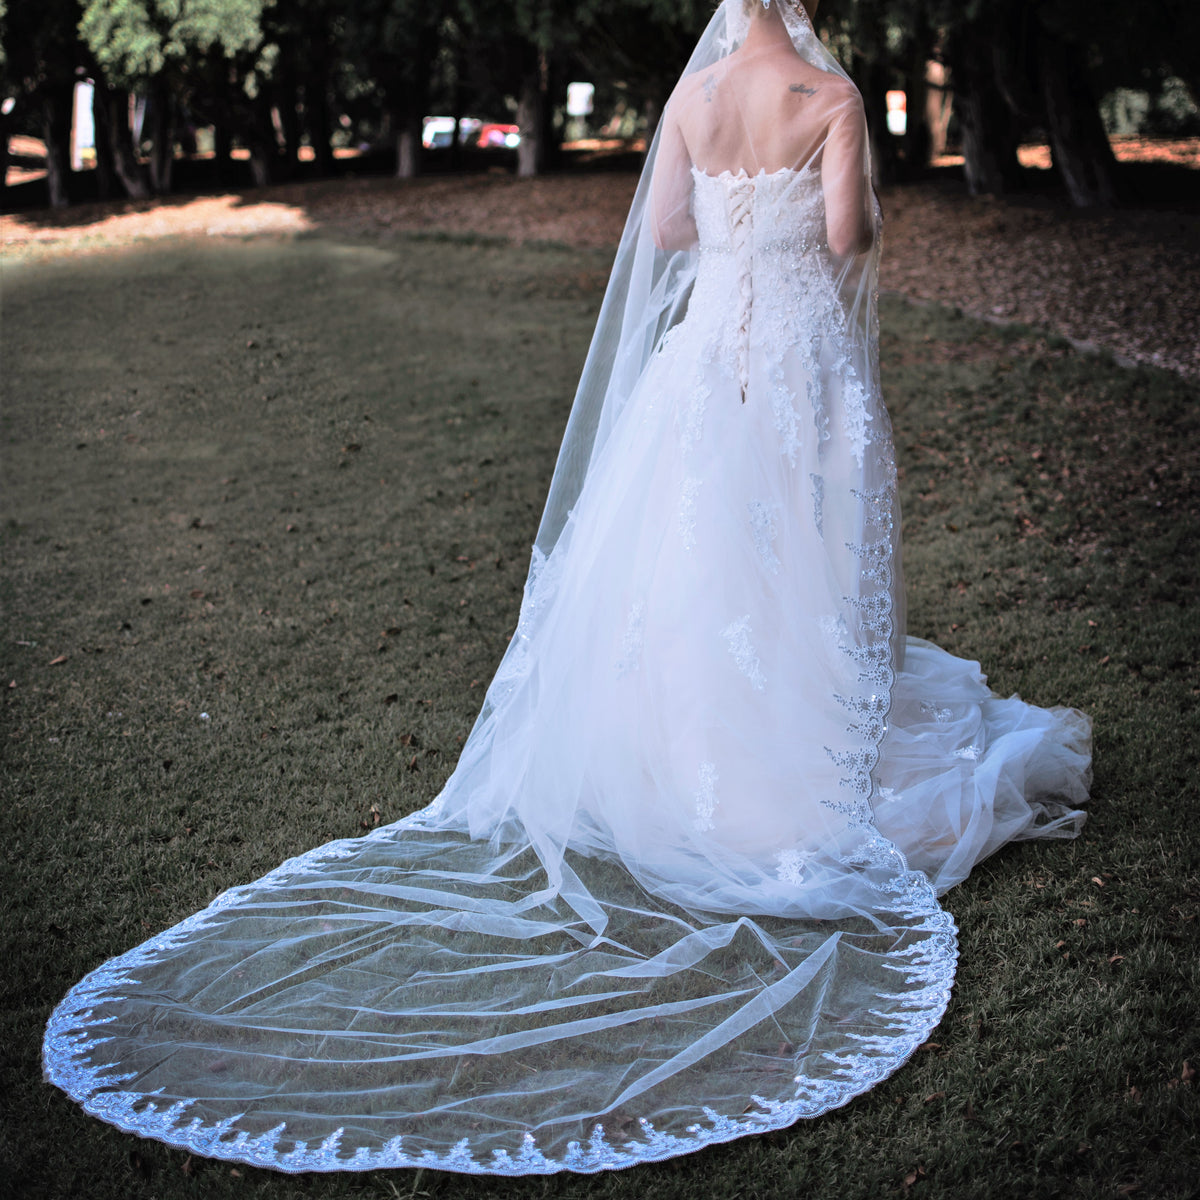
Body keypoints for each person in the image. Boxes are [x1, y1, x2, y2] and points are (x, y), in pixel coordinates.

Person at [43, 0, 1090, 1176]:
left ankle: (681, 759)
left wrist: (738, 226)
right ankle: (795, 752)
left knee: (694, 561)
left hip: (703, 362)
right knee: (800, 552)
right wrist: (815, 211)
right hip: (800, 356)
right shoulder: (832, 101)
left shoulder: (692, 101)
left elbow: (669, 228)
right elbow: (846, 237)